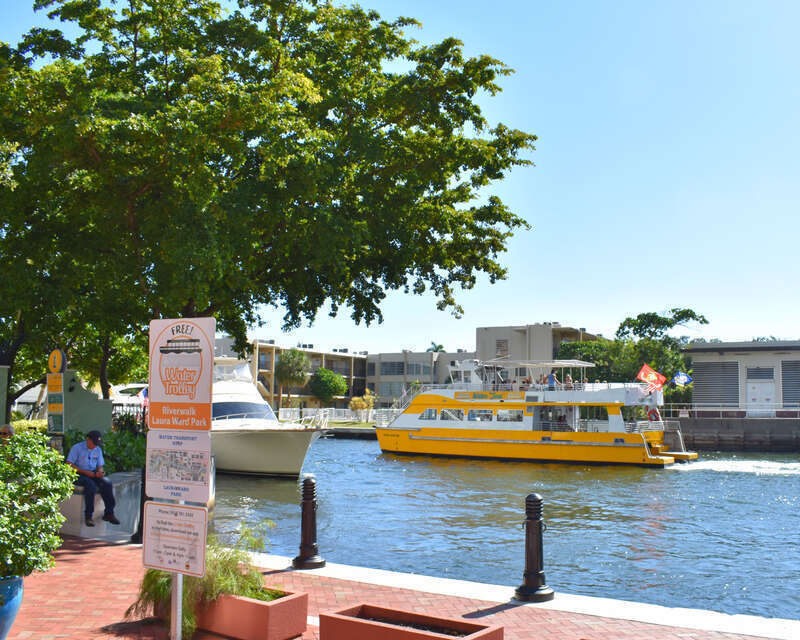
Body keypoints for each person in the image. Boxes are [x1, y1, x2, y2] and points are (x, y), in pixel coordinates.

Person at [66, 430, 119, 527]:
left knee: (107, 483)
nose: (94, 446)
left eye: (96, 444)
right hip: (78, 473)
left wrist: (100, 472)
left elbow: (100, 465)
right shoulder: (77, 448)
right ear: (88, 439)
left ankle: (109, 513)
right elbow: (69, 464)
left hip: (92, 473)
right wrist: (85, 472)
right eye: (93, 443)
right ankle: (88, 516)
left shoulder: (98, 450)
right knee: (90, 486)